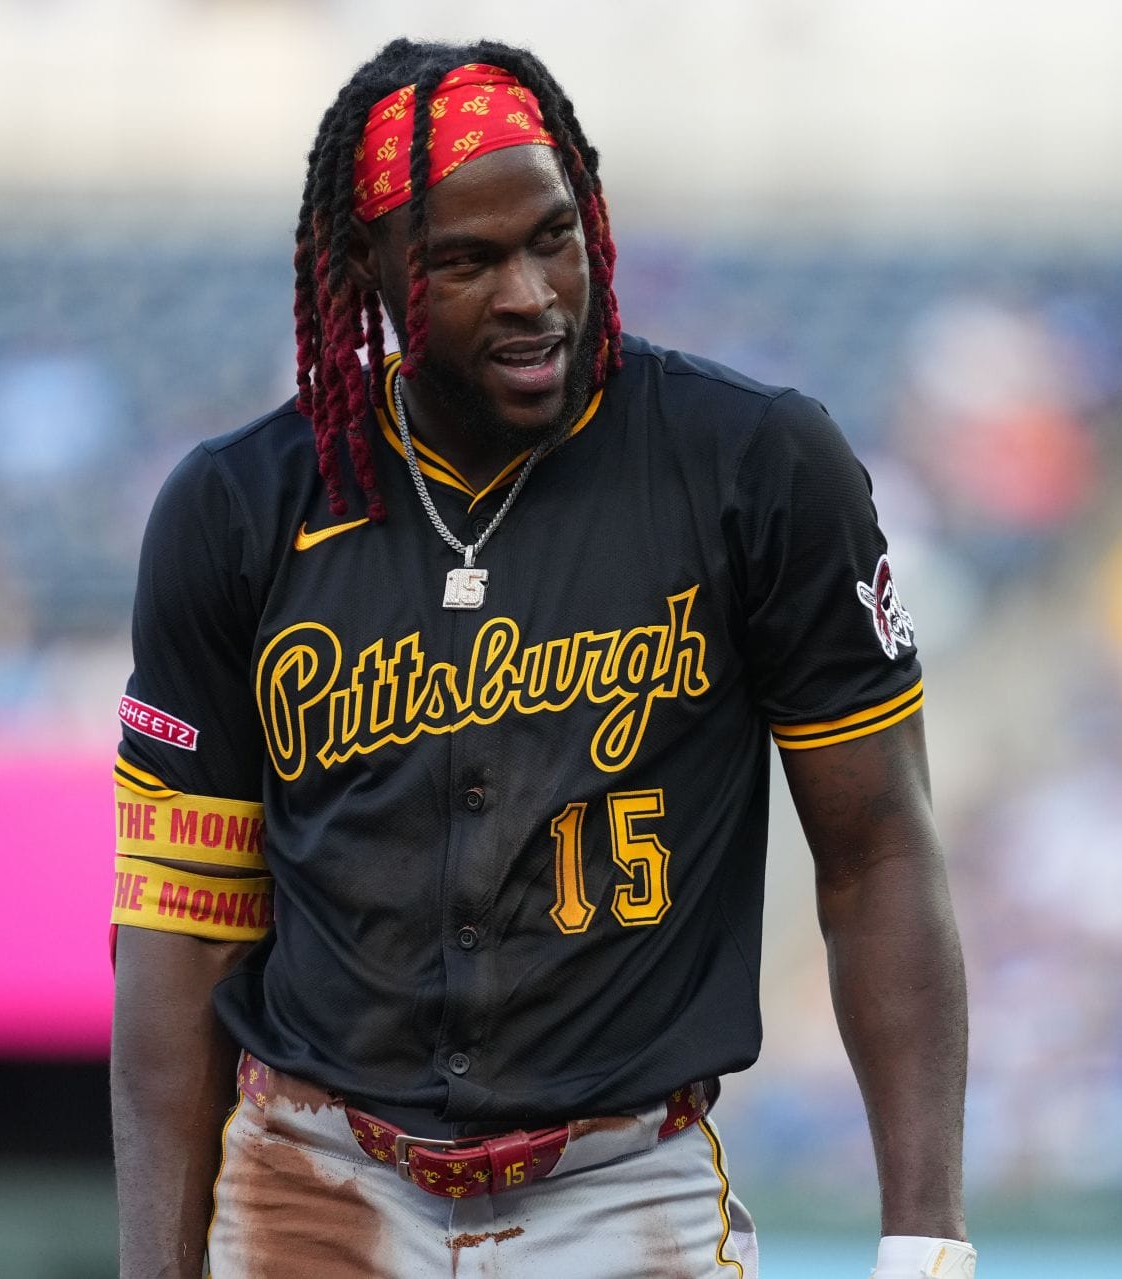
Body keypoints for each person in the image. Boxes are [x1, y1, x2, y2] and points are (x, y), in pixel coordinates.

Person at [109, 37, 973, 1279]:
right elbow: (182, 924)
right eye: (467, 261)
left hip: (624, 1186)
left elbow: (879, 847)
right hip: (319, 1183)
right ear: (368, 270)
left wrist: (926, 1238)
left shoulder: (755, 464)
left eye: (552, 238)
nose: (530, 293)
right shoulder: (239, 506)